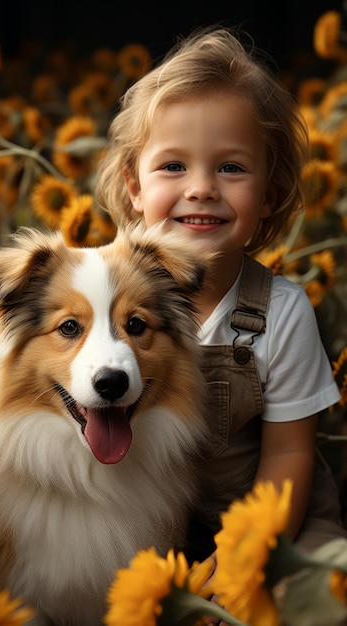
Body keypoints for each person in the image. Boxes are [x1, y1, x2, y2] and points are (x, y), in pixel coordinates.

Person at [96, 26, 347, 559]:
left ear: (268, 195)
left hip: (272, 521)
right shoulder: (99, 292)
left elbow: (288, 459)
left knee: (324, 587)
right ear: (135, 186)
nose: (202, 187)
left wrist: (243, 561)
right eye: (173, 166)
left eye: (231, 167)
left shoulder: (281, 312)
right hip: (144, 524)